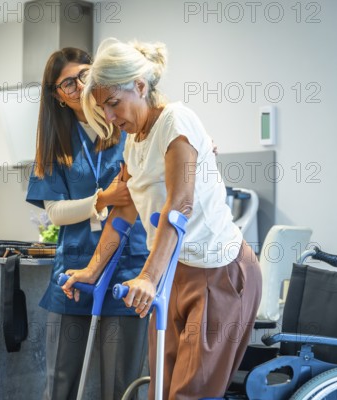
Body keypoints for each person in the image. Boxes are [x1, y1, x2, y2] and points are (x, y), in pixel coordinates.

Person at [63, 38, 262, 400]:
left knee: (191, 393)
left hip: (220, 272)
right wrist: (92, 271)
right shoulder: (133, 141)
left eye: (113, 104)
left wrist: (147, 278)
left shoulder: (176, 121)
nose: (109, 117)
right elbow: (122, 211)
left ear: (139, 86)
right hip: (176, 271)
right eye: (102, 109)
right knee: (161, 389)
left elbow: (180, 206)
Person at [25, 47, 150, 400]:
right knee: (61, 382)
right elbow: (55, 212)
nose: (80, 86)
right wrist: (102, 200)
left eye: (84, 74)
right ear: (57, 96)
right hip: (74, 271)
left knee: (119, 386)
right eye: (68, 83)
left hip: (127, 268)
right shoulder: (54, 145)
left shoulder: (126, 125)